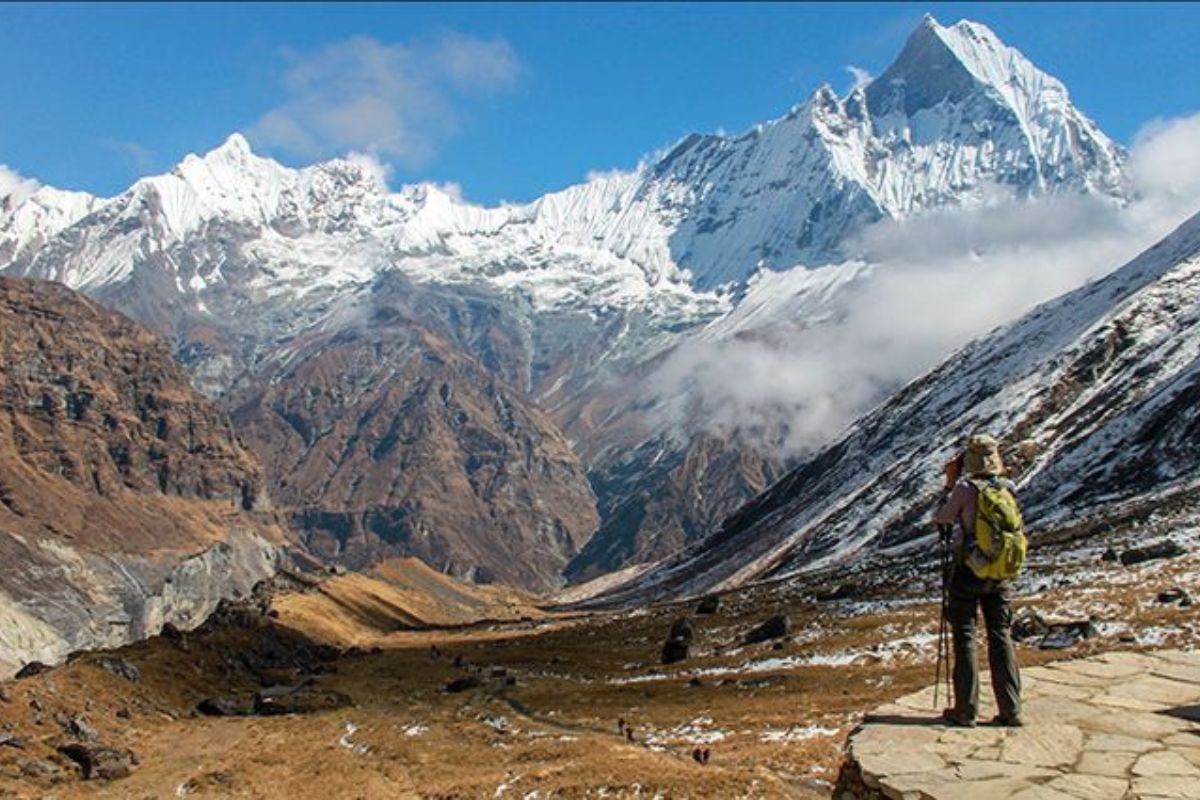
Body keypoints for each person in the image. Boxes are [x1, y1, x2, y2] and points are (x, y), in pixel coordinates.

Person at [932, 434, 1023, 728]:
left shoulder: (964, 488)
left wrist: (949, 485)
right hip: (1000, 573)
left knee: (966, 636)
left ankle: (966, 709)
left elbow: (943, 518)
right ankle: (1011, 709)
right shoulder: (1007, 487)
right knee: (1001, 635)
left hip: (969, 570)